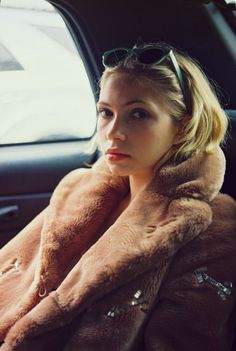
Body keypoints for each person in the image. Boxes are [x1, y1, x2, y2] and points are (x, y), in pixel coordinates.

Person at [0, 42, 236, 351]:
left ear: (183, 127)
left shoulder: (212, 225)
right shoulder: (79, 191)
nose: (113, 131)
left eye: (138, 114)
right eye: (105, 112)